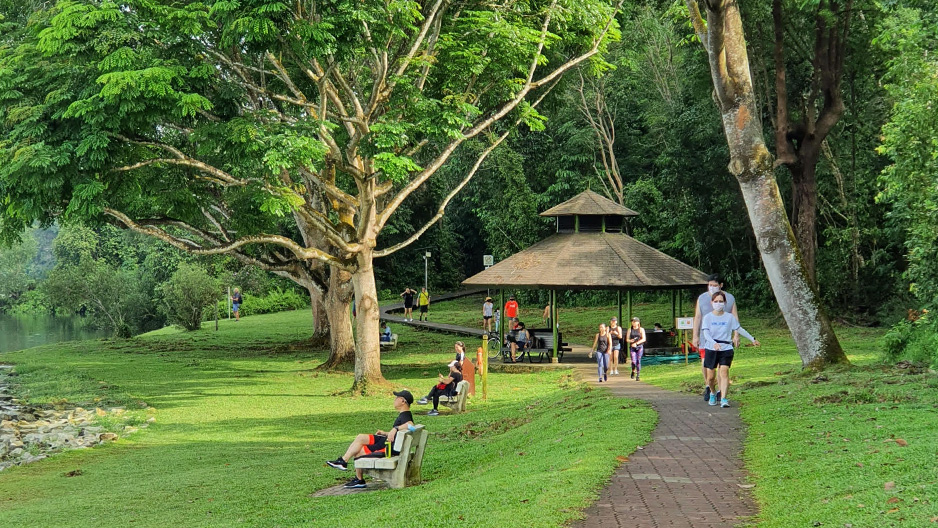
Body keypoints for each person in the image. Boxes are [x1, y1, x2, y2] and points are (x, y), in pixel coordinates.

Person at [326, 390, 415, 488]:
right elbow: (400, 431)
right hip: (387, 441)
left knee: (358, 451)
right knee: (360, 437)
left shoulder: (406, 415)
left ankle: (358, 478)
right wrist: (386, 433)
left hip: (388, 447)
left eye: (397, 398)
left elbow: (411, 425)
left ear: (403, 401)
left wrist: (395, 428)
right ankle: (344, 461)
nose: (394, 399)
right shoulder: (403, 414)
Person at [701, 291, 760, 408]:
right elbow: (706, 334)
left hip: (726, 348)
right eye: (716, 301)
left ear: (725, 303)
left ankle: (723, 398)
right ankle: (713, 392)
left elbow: (739, 329)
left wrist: (752, 339)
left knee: (724, 372)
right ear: (712, 303)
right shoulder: (707, 317)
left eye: (721, 301)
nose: (718, 304)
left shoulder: (729, 317)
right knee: (710, 377)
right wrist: (714, 344)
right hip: (711, 349)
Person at [692, 274, 739, 402]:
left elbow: (734, 316)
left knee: (722, 366)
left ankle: (720, 391)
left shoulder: (729, 298)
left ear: (721, 285)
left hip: (723, 338)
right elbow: (697, 317)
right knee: (706, 363)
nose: (712, 288)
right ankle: (708, 386)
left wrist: (736, 335)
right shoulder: (702, 298)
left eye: (714, 285)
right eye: (710, 285)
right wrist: (695, 336)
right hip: (705, 337)